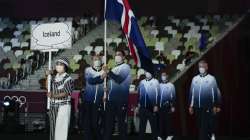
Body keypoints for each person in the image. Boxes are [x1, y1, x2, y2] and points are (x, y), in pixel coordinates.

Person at [188, 60, 221, 140]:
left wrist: (215, 105)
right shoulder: (194, 79)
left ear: (206, 67)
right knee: (200, 125)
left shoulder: (211, 79)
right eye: (199, 67)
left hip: (207, 106)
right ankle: (211, 134)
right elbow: (192, 93)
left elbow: (215, 93)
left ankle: (208, 135)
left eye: (202, 66)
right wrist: (190, 106)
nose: (201, 68)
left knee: (204, 125)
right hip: (197, 106)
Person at [103, 50, 131, 140]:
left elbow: (119, 80)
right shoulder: (114, 68)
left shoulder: (126, 67)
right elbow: (112, 83)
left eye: (119, 54)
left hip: (121, 99)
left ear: (123, 57)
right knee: (108, 124)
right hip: (110, 100)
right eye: (116, 55)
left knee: (121, 124)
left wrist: (108, 72)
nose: (117, 56)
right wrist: (107, 90)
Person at [47, 57, 74, 140]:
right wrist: (48, 75)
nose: (58, 66)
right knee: (53, 128)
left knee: (61, 128)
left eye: (60, 64)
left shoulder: (68, 79)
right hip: (53, 105)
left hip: (63, 106)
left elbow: (66, 93)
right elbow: (47, 86)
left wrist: (53, 95)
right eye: (57, 64)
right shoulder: (54, 77)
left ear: (65, 66)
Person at [83, 55, 106, 140]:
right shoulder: (88, 70)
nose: (97, 61)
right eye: (95, 59)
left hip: (98, 102)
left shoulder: (104, 71)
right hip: (88, 100)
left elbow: (107, 85)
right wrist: (101, 77)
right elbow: (90, 80)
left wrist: (106, 91)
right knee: (87, 123)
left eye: (99, 59)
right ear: (92, 61)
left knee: (95, 123)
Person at [137, 71, 159, 140]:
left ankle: (155, 138)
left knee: (154, 125)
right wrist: (138, 105)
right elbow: (139, 94)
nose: (147, 73)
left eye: (149, 72)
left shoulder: (155, 82)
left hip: (151, 107)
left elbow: (158, 94)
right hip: (142, 107)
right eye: (146, 72)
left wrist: (156, 105)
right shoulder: (141, 82)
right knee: (142, 126)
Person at [158, 72, 176, 140]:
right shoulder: (159, 85)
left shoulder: (171, 85)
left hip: (167, 105)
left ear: (167, 76)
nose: (163, 76)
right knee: (160, 121)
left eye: (164, 75)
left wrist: (173, 106)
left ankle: (170, 135)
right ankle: (160, 135)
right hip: (160, 106)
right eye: (162, 75)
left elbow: (173, 97)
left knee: (168, 121)